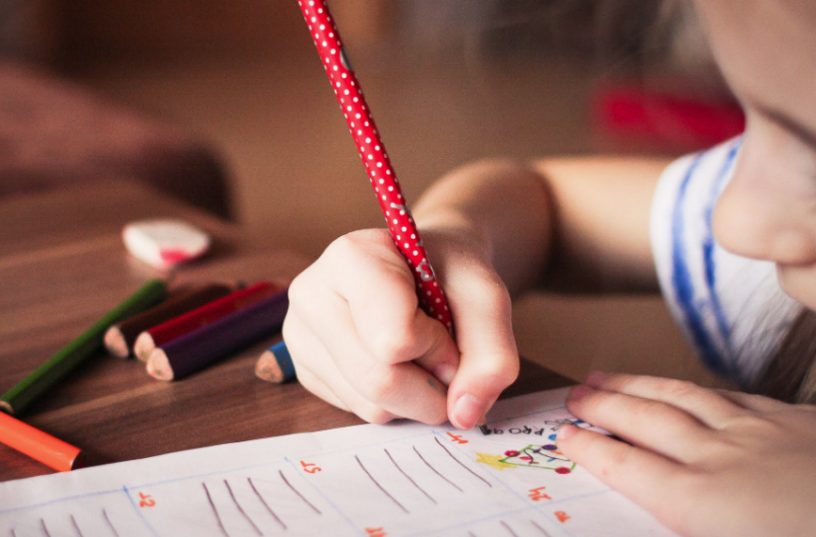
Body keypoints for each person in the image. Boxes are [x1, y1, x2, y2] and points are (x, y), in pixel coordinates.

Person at [282, 1, 816, 535]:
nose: (732, 223)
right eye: (751, 127)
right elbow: (546, 204)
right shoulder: (766, 242)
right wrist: (456, 239)